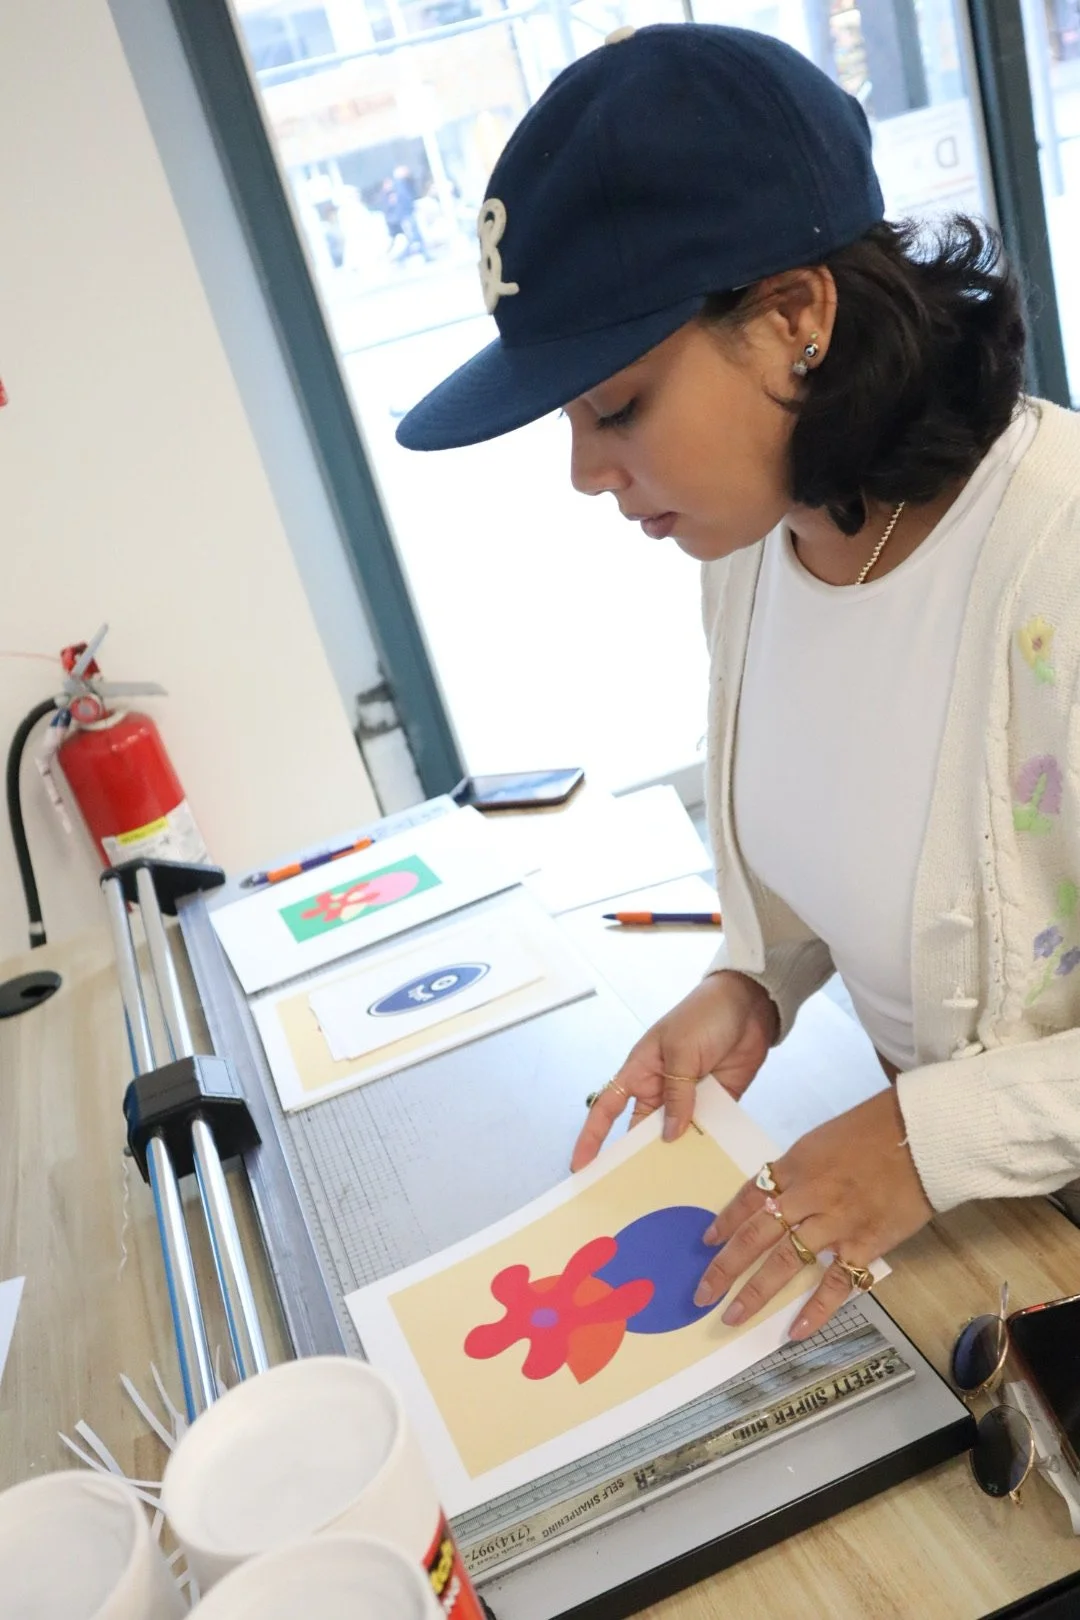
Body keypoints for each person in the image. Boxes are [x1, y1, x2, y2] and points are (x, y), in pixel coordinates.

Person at [395, 25, 1080, 1344]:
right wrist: (755, 980)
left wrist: (924, 1140)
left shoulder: (1056, 556)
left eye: (618, 406)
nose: (587, 473)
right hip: (965, 1253)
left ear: (795, 319)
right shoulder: (756, 550)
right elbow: (863, 828)